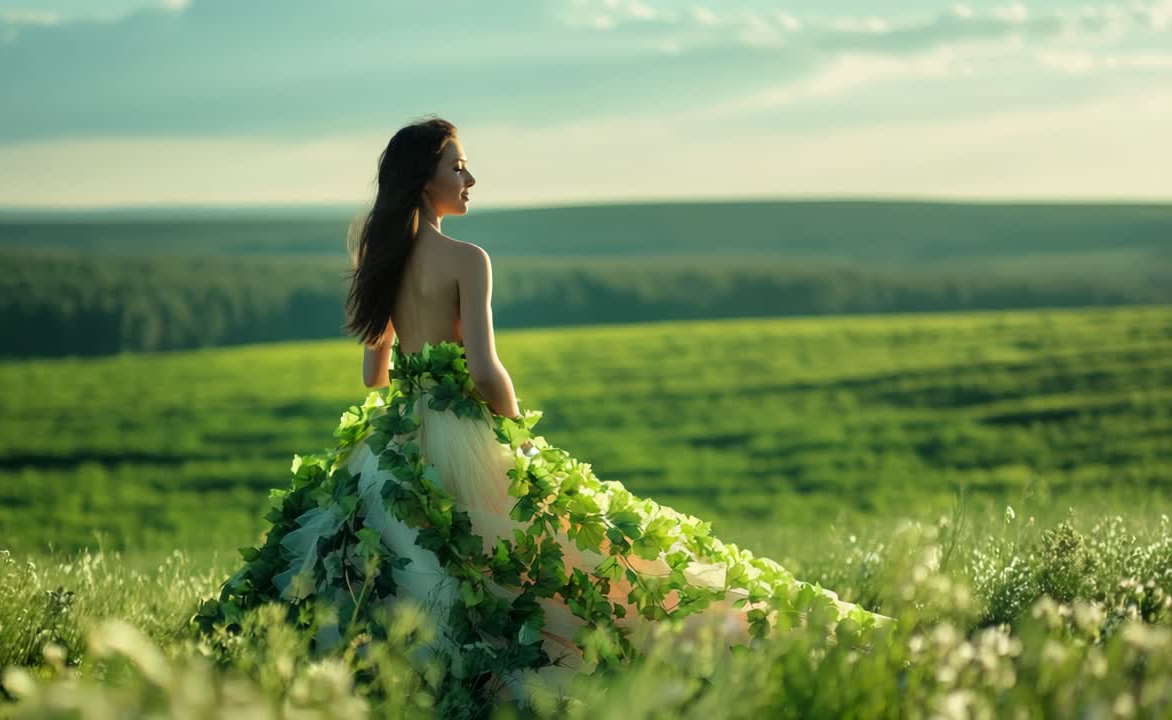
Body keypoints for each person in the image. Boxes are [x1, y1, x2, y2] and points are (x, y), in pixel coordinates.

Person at [210, 115, 893, 709]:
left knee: (401, 560)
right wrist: (513, 437)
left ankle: (397, 678)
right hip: (460, 429)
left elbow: (372, 375)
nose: (471, 178)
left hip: (394, 437)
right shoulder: (466, 260)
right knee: (544, 554)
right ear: (427, 179)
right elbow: (483, 369)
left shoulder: (378, 258)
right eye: (459, 166)